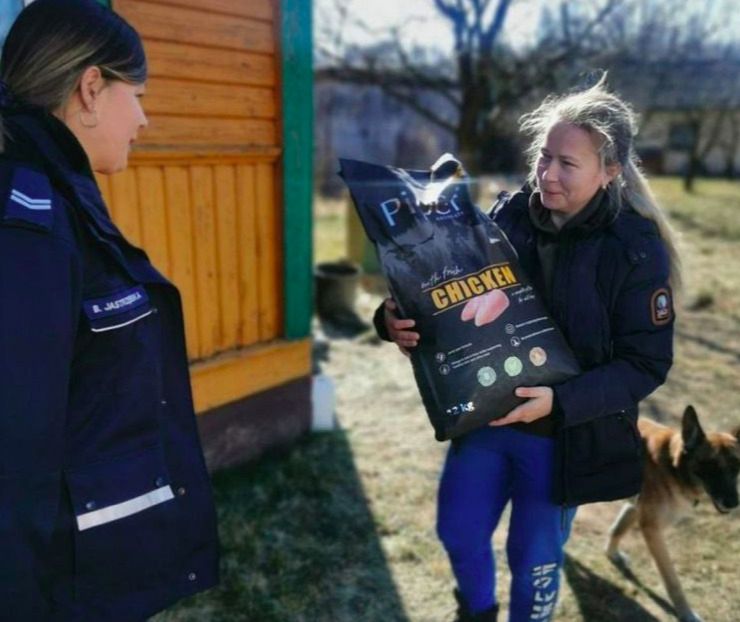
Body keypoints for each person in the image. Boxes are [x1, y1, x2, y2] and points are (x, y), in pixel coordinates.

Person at [375, 78, 679, 621]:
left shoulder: (634, 249)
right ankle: (476, 611)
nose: (547, 174)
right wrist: (393, 319)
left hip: (562, 438)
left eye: (568, 163)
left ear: (610, 171)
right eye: (544, 157)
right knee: (458, 531)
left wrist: (561, 404)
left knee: (534, 558)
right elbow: (449, 293)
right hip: (487, 424)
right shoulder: (508, 216)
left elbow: (645, 364)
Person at [0, 1, 218, 619]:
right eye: (138, 94)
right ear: (91, 87)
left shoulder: (61, 194)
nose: (144, 120)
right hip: (62, 591)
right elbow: (13, 453)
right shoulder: (27, 227)